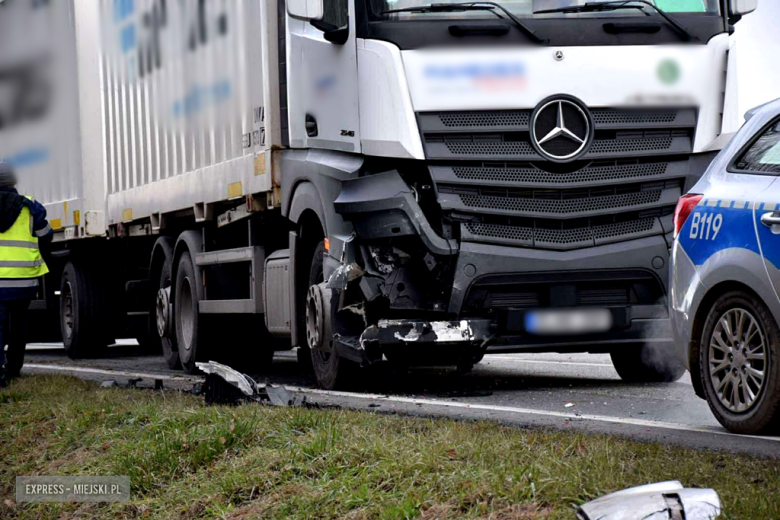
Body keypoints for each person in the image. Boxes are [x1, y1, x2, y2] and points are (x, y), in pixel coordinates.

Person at [0, 162, 52, 388]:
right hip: (24, 279)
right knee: (18, 323)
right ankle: (14, 368)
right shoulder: (31, 206)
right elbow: (45, 235)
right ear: (14, 182)